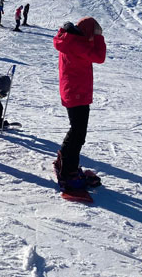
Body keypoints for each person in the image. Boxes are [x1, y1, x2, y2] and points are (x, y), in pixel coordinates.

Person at [52, 17, 106, 189]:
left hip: (74, 91)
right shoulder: (76, 44)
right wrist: (98, 37)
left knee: (77, 131)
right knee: (78, 132)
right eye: (93, 33)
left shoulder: (71, 41)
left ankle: (66, 164)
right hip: (77, 93)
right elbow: (99, 56)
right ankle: (68, 170)